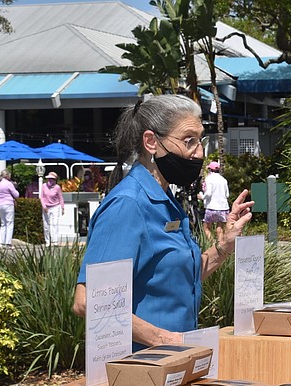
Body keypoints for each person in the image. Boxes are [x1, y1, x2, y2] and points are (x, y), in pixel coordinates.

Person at [71, 94, 254, 350]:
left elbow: (182, 274)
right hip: (140, 370)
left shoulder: (165, 199)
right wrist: (169, 340)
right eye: (188, 141)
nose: (199, 152)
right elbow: (88, 301)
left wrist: (224, 245)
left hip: (172, 363)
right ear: (151, 142)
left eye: (199, 140)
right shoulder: (128, 204)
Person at [202, 160, 230, 239]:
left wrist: (202, 197)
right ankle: (220, 246)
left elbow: (208, 193)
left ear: (210, 169)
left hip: (212, 207)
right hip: (223, 208)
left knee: (206, 227)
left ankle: (212, 244)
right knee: (220, 229)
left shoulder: (209, 179)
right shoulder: (224, 180)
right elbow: (227, 195)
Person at [0, 169, 19, 248]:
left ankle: (1, 242)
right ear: (7, 175)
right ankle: (8, 242)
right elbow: (16, 195)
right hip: (8, 204)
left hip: (0, 204)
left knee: (3, 224)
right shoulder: (8, 184)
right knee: (9, 223)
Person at [40, 171, 65, 246]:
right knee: (46, 225)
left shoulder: (57, 187)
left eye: (52, 179)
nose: (50, 180)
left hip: (55, 207)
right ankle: (47, 241)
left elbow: (60, 198)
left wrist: (62, 207)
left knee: (55, 224)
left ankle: (55, 241)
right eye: (49, 179)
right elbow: (41, 197)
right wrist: (44, 206)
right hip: (46, 207)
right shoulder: (44, 186)